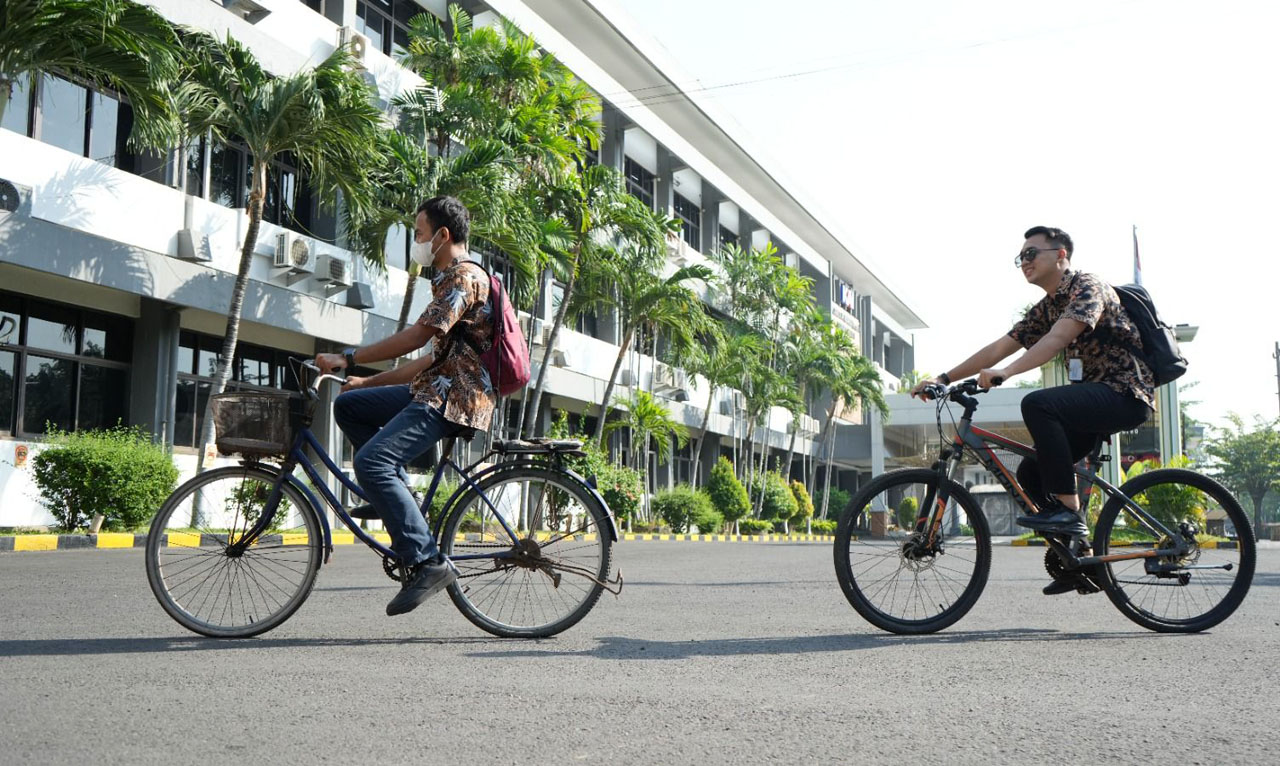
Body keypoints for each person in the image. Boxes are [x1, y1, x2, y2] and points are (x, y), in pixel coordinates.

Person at [910, 226, 1154, 591]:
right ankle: (1079, 561)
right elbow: (999, 347)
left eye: (1031, 254)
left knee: (1038, 404)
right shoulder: (1048, 306)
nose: (1024, 262)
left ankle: (1069, 516)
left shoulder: (1088, 287)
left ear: (1061, 255)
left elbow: (1058, 338)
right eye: (1020, 257)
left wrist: (1006, 373)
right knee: (1031, 472)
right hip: (1092, 401)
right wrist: (943, 378)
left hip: (1124, 393)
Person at [314, 195, 496, 616]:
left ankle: (428, 562)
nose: (416, 243)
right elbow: (430, 357)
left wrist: (349, 358)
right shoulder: (451, 279)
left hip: (455, 398)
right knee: (350, 406)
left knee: (372, 462)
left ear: (442, 235)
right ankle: (398, 497)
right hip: (437, 386)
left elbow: (417, 336)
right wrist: (367, 382)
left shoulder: (464, 277)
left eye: (418, 234)